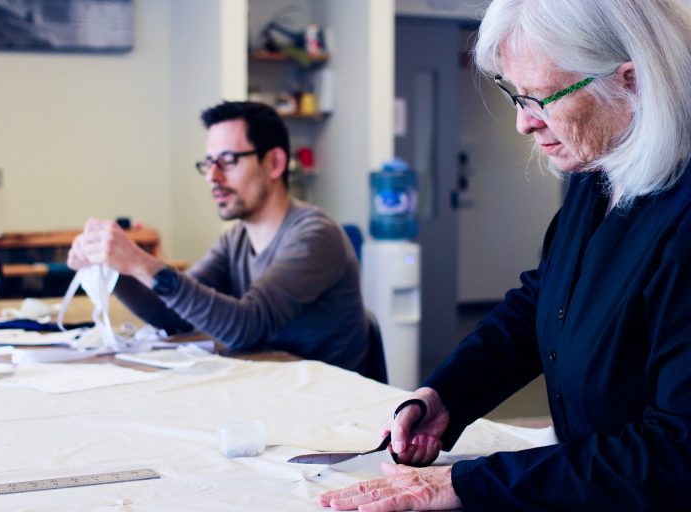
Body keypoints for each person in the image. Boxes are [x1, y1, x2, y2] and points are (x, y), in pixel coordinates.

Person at [320, 0, 691, 510]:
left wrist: (466, 483)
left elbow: (677, 456)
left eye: (541, 98)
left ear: (632, 82)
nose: (523, 123)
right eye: (515, 95)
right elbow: (543, 302)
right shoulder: (601, 170)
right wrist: (448, 396)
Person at [67, 101, 370, 375]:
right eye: (209, 163)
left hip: (332, 410)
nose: (213, 176)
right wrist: (116, 268)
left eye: (228, 160)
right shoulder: (236, 239)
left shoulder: (315, 236)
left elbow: (246, 327)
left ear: (275, 163)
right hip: (274, 388)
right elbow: (173, 316)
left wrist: (140, 262)